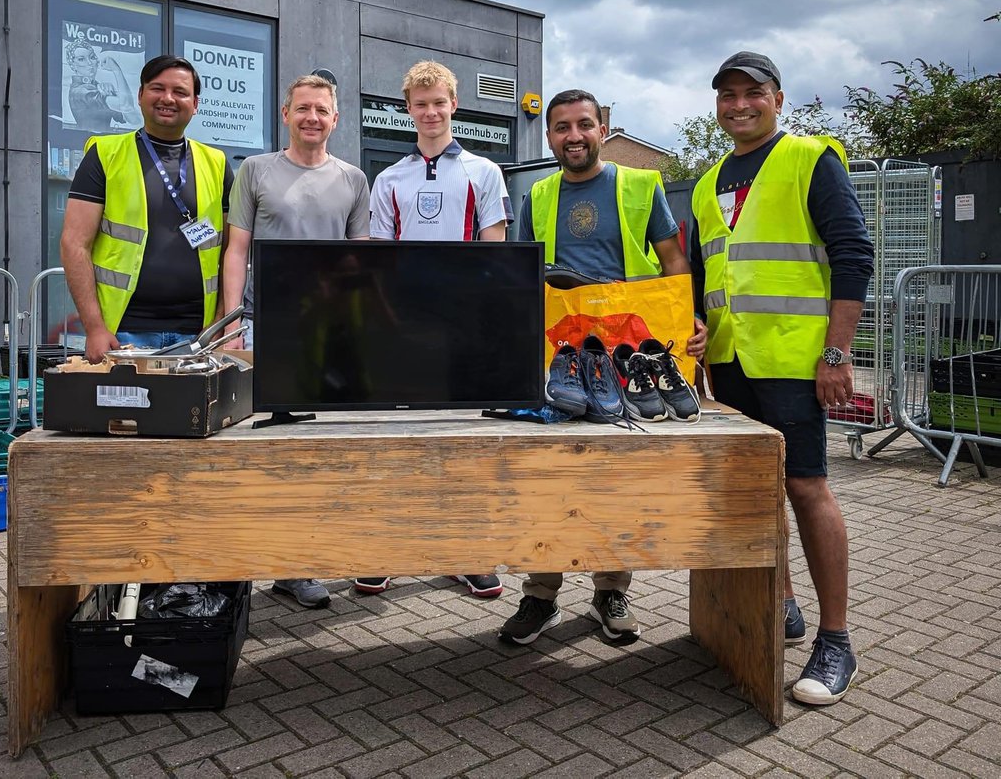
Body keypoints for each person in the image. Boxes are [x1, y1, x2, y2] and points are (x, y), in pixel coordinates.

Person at [692, 51, 873, 706]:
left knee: (805, 485)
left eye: (752, 92)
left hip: (796, 362)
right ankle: (784, 601)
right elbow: (703, 276)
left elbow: (853, 253)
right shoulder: (709, 180)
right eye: (727, 95)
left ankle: (836, 640)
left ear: (778, 97)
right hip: (733, 362)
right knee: (757, 486)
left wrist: (837, 353)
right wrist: (699, 342)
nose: (739, 104)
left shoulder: (808, 159)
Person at [499, 88, 707, 647]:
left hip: (625, 356)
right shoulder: (536, 195)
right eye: (562, 127)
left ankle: (610, 590)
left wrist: (687, 326)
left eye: (584, 125)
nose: (574, 136)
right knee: (550, 477)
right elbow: (523, 276)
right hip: (559, 358)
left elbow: (672, 264)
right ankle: (540, 595)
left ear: (603, 126)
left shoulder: (642, 185)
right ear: (549, 137)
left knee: (616, 478)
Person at [361, 59, 513, 600]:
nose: (430, 111)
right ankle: (384, 550)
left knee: (465, 445)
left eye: (438, 102)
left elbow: (495, 255)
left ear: (454, 106)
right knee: (394, 442)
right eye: (420, 103)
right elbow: (378, 260)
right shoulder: (389, 179)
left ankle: (467, 552)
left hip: (463, 329)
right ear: (408, 109)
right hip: (403, 329)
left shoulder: (484, 172)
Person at [221, 73, 371, 610]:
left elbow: (360, 259)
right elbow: (236, 250)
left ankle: (297, 565)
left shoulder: (353, 179)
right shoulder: (256, 171)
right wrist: (232, 321)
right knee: (262, 451)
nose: (312, 117)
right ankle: (244, 559)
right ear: (285, 114)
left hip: (328, 331)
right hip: (266, 327)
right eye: (303, 108)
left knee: (318, 451)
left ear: (336, 119)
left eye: (322, 110)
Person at [61, 55, 232, 363]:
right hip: (123, 334)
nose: (168, 98)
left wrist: (219, 323)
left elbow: (231, 251)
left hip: (198, 336)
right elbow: (74, 244)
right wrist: (95, 328)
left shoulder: (217, 164)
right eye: (157, 88)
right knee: (126, 413)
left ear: (195, 103)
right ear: (140, 96)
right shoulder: (105, 154)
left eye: (180, 92)